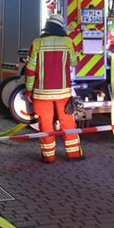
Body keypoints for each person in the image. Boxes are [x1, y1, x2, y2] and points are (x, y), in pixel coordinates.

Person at [24, 13, 82, 163]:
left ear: (47, 26)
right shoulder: (68, 42)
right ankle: (73, 154)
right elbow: (74, 63)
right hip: (63, 92)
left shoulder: (37, 43)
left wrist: (29, 90)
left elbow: (30, 70)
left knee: (45, 123)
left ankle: (49, 156)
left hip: (41, 93)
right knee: (68, 121)